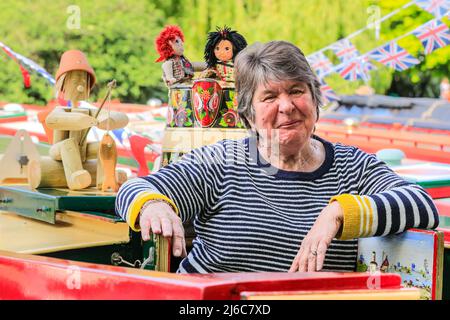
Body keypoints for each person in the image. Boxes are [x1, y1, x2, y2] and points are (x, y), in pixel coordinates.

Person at [116, 41, 439, 273]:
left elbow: (421, 205)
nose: (286, 106)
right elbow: (133, 190)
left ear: (314, 98)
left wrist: (338, 213)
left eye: (297, 91)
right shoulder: (220, 162)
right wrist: (155, 205)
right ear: (247, 114)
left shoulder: (353, 167)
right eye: (269, 97)